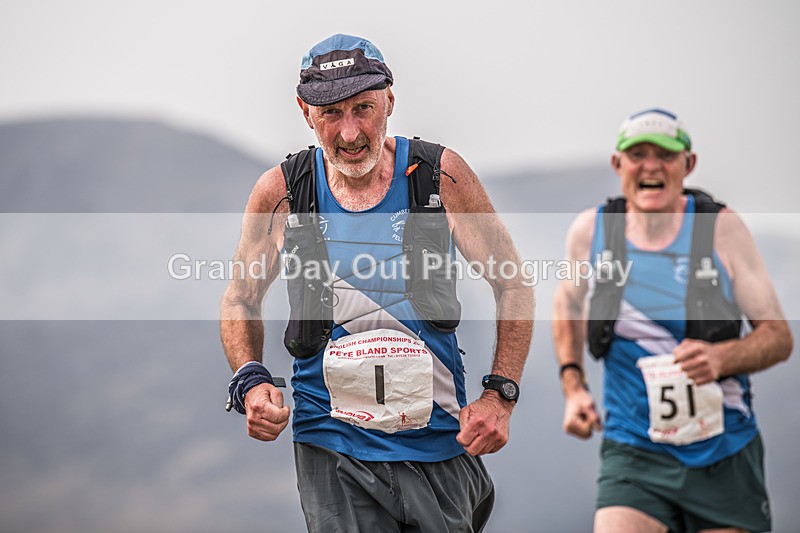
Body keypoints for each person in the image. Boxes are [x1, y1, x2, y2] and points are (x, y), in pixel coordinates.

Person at [220, 34, 534, 532]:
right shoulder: (282, 192)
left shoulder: (437, 176)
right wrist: (251, 380)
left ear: (390, 99)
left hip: (437, 442)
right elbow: (241, 296)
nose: (349, 132)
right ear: (305, 112)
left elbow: (513, 284)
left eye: (363, 108)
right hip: (330, 443)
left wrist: (500, 395)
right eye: (330, 114)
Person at [552, 108, 793, 533]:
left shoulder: (721, 229)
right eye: (637, 154)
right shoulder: (591, 232)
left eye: (664, 155)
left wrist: (722, 358)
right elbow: (566, 305)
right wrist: (573, 385)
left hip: (724, 451)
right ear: (618, 165)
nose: (651, 166)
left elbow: (778, 337)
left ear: (688, 164)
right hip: (634, 451)